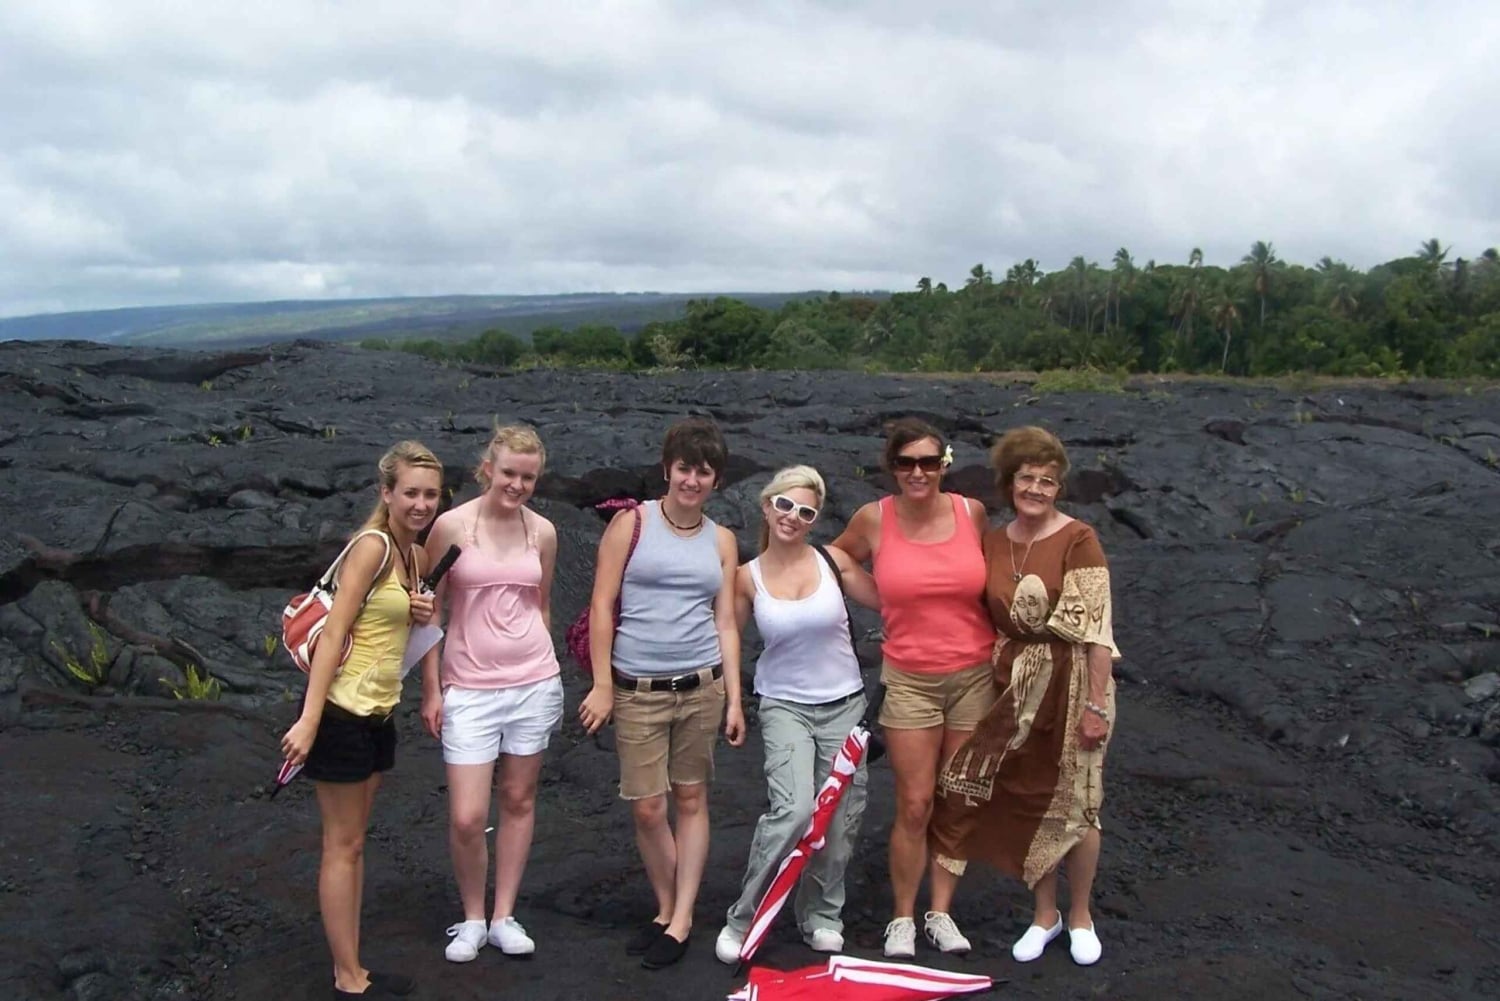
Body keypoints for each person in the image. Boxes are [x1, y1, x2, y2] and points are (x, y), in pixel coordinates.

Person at [929, 425, 1119, 967]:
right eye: (1027, 478)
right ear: (1009, 482)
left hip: (1074, 680)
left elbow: (1097, 631)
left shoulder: (1079, 538)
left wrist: (1095, 706)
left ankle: (1080, 916)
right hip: (1014, 687)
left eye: (1048, 481)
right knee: (1030, 797)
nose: (1036, 488)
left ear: (1059, 488)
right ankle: (1044, 915)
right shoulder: (993, 542)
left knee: (1080, 803)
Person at [578, 417, 747, 970]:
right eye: (684, 469)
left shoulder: (722, 540)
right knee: (649, 807)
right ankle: (669, 906)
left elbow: (726, 622)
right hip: (637, 687)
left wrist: (735, 698)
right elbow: (601, 604)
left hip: (701, 686)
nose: (692, 481)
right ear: (667, 469)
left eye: (704, 472)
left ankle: (679, 918)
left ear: (716, 480)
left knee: (691, 799)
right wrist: (602, 684)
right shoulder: (631, 524)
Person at [280, 441, 444, 999]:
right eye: (411, 493)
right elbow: (333, 636)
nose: (421, 504)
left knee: (354, 845)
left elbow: (393, 627)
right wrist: (309, 720)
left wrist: (419, 611)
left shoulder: (413, 556)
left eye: (430, 494)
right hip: (341, 714)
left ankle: (353, 968)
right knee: (342, 845)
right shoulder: (372, 547)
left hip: (378, 714)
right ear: (387, 493)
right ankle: (347, 978)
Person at [830, 417, 995, 958]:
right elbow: (836, 556)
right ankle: (902, 917)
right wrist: (881, 598)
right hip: (909, 682)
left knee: (957, 800)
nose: (918, 472)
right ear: (892, 467)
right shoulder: (874, 518)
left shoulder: (971, 513)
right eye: (906, 463)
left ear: (944, 464)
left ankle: (940, 913)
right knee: (916, 802)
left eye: (928, 461)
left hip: (974, 677)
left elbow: (995, 578)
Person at [714, 466, 880, 966]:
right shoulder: (746, 577)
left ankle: (822, 914)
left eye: (805, 511)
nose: (792, 517)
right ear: (767, 506)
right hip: (784, 706)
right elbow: (729, 634)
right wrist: (733, 701)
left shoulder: (833, 561)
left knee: (842, 817)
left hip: (845, 704)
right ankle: (743, 917)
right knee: (794, 811)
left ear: (814, 520)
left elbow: (892, 600)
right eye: (784, 505)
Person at [420, 425, 563, 963]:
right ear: (487, 469)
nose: (517, 485)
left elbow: (541, 603)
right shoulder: (451, 527)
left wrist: (542, 663)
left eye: (528, 477)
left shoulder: (543, 532)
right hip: (469, 686)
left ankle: (503, 915)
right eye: (508, 473)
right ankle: (471, 917)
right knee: (467, 815)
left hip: (532, 682)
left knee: (519, 799)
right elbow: (431, 610)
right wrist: (432, 689)